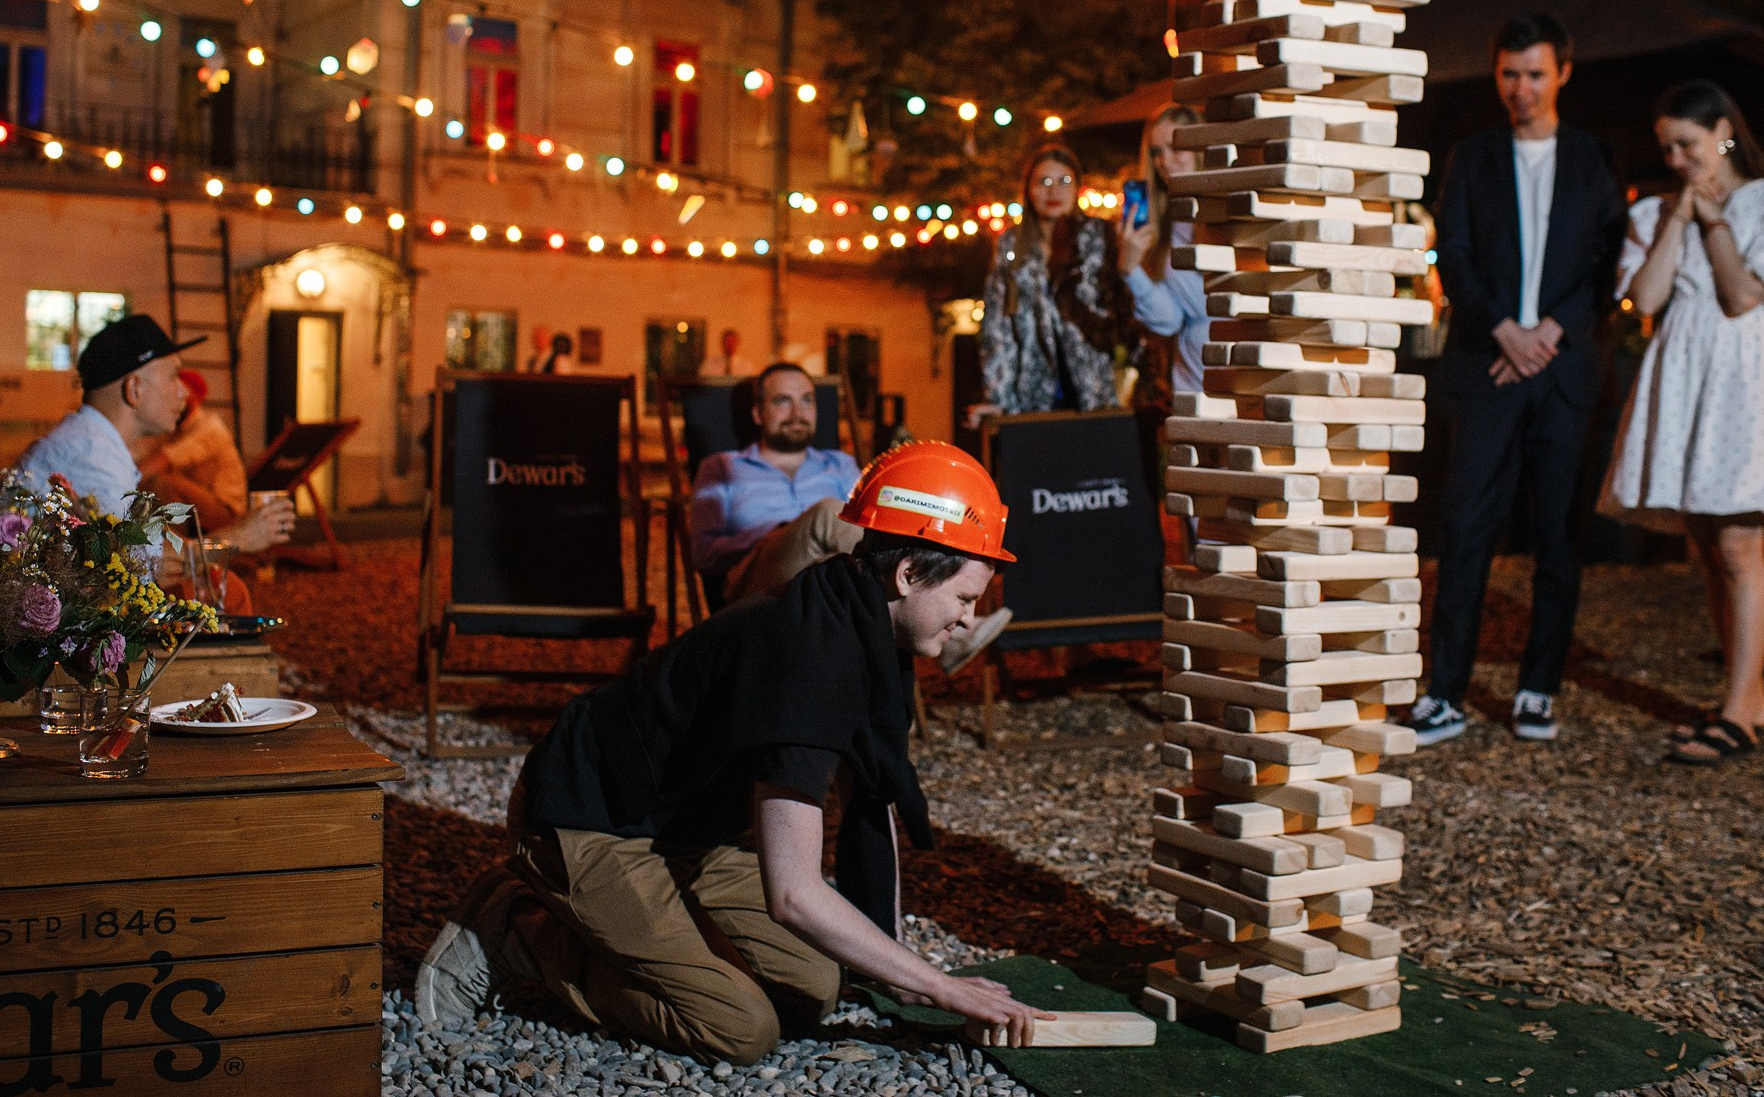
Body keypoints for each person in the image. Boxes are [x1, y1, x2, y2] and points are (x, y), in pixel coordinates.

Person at [416, 443, 1047, 1062]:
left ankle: (654, 931)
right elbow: (793, 893)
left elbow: (870, 790)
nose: (969, 622)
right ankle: (520, 929)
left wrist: (898, 957)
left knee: (815, 989)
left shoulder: (859, 618)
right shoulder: (810, 661)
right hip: (590, 818)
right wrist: (938, 985)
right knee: (738, 1027)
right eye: (964, 600)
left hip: (692, 826)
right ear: (908, 574)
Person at [1408, 14, 1628, 748]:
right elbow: (1455, 255)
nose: (1521, 88)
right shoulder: (1471, 155)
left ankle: (1538, 688)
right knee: (1465, 526)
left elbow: (1607, 261)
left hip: (1562, 369)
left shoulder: (1596, 156)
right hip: (1489, 361)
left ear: (1562, 72)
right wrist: (1504, 328)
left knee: (1560, 536)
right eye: (1509, 73)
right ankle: (1445, 691)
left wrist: (1548, 333)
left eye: (1535, 73)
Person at [1601, 80, 1764, 765]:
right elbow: (1647, 297)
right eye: (1667, 146)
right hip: (1681, 369)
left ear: (1723, 133)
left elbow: (1740, 295)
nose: (1675, 158)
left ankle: (1737, 712)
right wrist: (1676, 218)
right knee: (1706, 544)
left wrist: (1714, 221)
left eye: (1688, 144)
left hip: (1745, 373)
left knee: (1737, 543)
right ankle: (1747, 693)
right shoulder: (1654, 211)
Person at [18, 315, 293, 558]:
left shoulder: (94, 442)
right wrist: (239, 537)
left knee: (230, 591)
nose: (184, 393)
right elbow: (142, 565)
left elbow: (146, 553)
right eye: (174, 377)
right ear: (134, 388)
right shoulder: (92, 457)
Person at [971, 141, 1134, 426]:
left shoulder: (1099, 238)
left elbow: (1123, 307)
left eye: (1064, 181)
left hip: (1096, 390)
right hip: (1032, 395)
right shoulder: (1012, 244)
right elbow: (997, 326)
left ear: (1077, 188)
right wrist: (999, 396)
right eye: (1043, 181)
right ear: (1029, 190)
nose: (1053, 191)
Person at [690, 363, 863, 603]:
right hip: (759, 591)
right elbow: (703, 555)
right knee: (828, 514)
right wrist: (770, 534)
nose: (798, 414)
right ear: (757, 413)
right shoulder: (721, 468)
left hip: (834, 583)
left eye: (807, 401)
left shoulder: (841, 465)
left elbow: (870, 531)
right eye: (783, 401)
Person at [1119, 104, 1212, 399]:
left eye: (1175, 148)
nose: (1164, 161)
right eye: (1156, 152)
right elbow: (1169, 319)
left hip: (1241, 370)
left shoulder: (1231, 209)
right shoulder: (1162, 225)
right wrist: (1130, 269)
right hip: (1192, 378)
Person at [138, 368, 248, 533]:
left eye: (180, 391)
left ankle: (175, 553)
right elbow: (142, 455)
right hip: (197, 505)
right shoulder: (175, 429)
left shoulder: (209, 427)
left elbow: (162, 461)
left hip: (226, 512)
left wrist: (120, 487)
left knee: (164, 483)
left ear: (195, 396)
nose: (173, 398)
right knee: (151, 484)